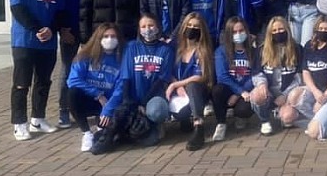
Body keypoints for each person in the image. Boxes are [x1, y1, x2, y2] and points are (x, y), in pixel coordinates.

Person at [9, 0, 69, 140]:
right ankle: (19, 123)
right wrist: (37, 29)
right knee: (21, 83)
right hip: (25, 41)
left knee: (43, 81)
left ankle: (38, 118)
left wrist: (51, 30)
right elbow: (17, 8)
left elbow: (60, 11)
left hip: (48, 42)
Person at [91, 13, 174, 154]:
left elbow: (162, 79)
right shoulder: (131, 47)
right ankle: (111, 136)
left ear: (158, 27)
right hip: (133, 95)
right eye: (143, 26)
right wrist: (128, 101)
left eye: (151, 25)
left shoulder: (166, 50)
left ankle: (155, 124)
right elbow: (126, 77)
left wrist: (144, 103)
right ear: (139, 29)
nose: (147, 29)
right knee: (125, 116)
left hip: (154, 97)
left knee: (155, 116)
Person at [55, 0, 102, 128]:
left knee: (95, 70)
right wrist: (61, 29)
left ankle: (94, 108)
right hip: (70, 30)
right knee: (68, 70)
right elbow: (57, 3)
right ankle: (64, 110)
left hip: (93, 31)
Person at [281, 15, 327, 140]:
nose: (323, 32)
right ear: (315, 29)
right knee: (294, 96)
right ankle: (321, 118)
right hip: (318, 91)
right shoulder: (309, 45)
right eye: (320, 28)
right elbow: (306, 72)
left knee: (313, 132)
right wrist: (315, 91)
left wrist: (322, 99)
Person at [66, 23, 122, 152]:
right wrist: (98, 94)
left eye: (113, 36)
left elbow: (120, 88)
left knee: (107, 137)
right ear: (98, 38)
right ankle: (86, 133)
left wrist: (107, 110)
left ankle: (100, 126)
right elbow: (73, 80)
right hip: (90, 99)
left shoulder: (121, 59)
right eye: (105, 36)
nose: (109, 40)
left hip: (109, 104)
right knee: (72, 93)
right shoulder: (85, 56)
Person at [167, 12, 215, 150]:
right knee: (179, 111)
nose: (191, 28)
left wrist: (178, 84)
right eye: (189, 25)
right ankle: (184, 119)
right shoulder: (175, 47)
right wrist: (176, 85)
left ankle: (198, 125)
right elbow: (167, 71)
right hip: (178, 92)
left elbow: (200, 76)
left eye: (196, 26)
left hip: (197, 90)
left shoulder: (202, 50)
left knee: (193, 86)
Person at [250, 16, 304, 135]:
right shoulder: (261, 50)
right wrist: (262, 84)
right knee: (256, 95)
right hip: (269, 90)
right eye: (274, 31)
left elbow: (300, 77)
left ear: (287, 30)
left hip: (288, 92)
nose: (278, 33)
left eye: (281, 29)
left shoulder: (297, 49)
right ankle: (265, 121)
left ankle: (282, 112)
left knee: (288, 118)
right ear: (269, 33)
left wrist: (285, 95)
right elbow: (256, 72)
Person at [211, 17, 256, 142]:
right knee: (217, 90)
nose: (238, 34)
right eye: (234, 32)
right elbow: (222, 76)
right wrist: (239, 91)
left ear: (246, 31)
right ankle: (221, 123)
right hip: (229, 89)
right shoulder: (221, 51)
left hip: (245, 91)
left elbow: (254, 75)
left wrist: (239, 94)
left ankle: (240, 116)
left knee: (243, 110)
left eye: (241, 31)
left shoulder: (253, 52)